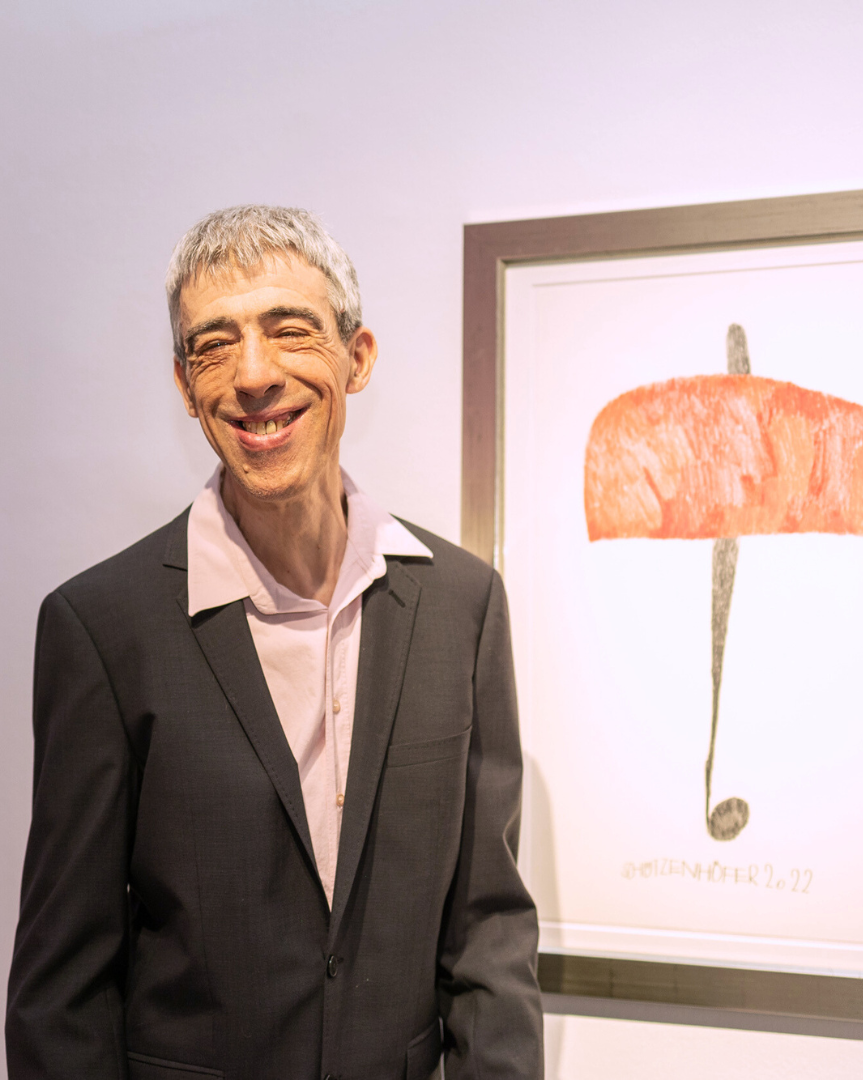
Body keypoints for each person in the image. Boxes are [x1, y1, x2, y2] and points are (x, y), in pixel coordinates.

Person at [6, 206, 543, 1080]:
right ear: (185, 386)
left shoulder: (462, 605)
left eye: (289, 330)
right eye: (213, 346)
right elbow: (61, 995)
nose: (254, 375)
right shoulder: (102, 629)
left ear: (356, 357)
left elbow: (488, 929)